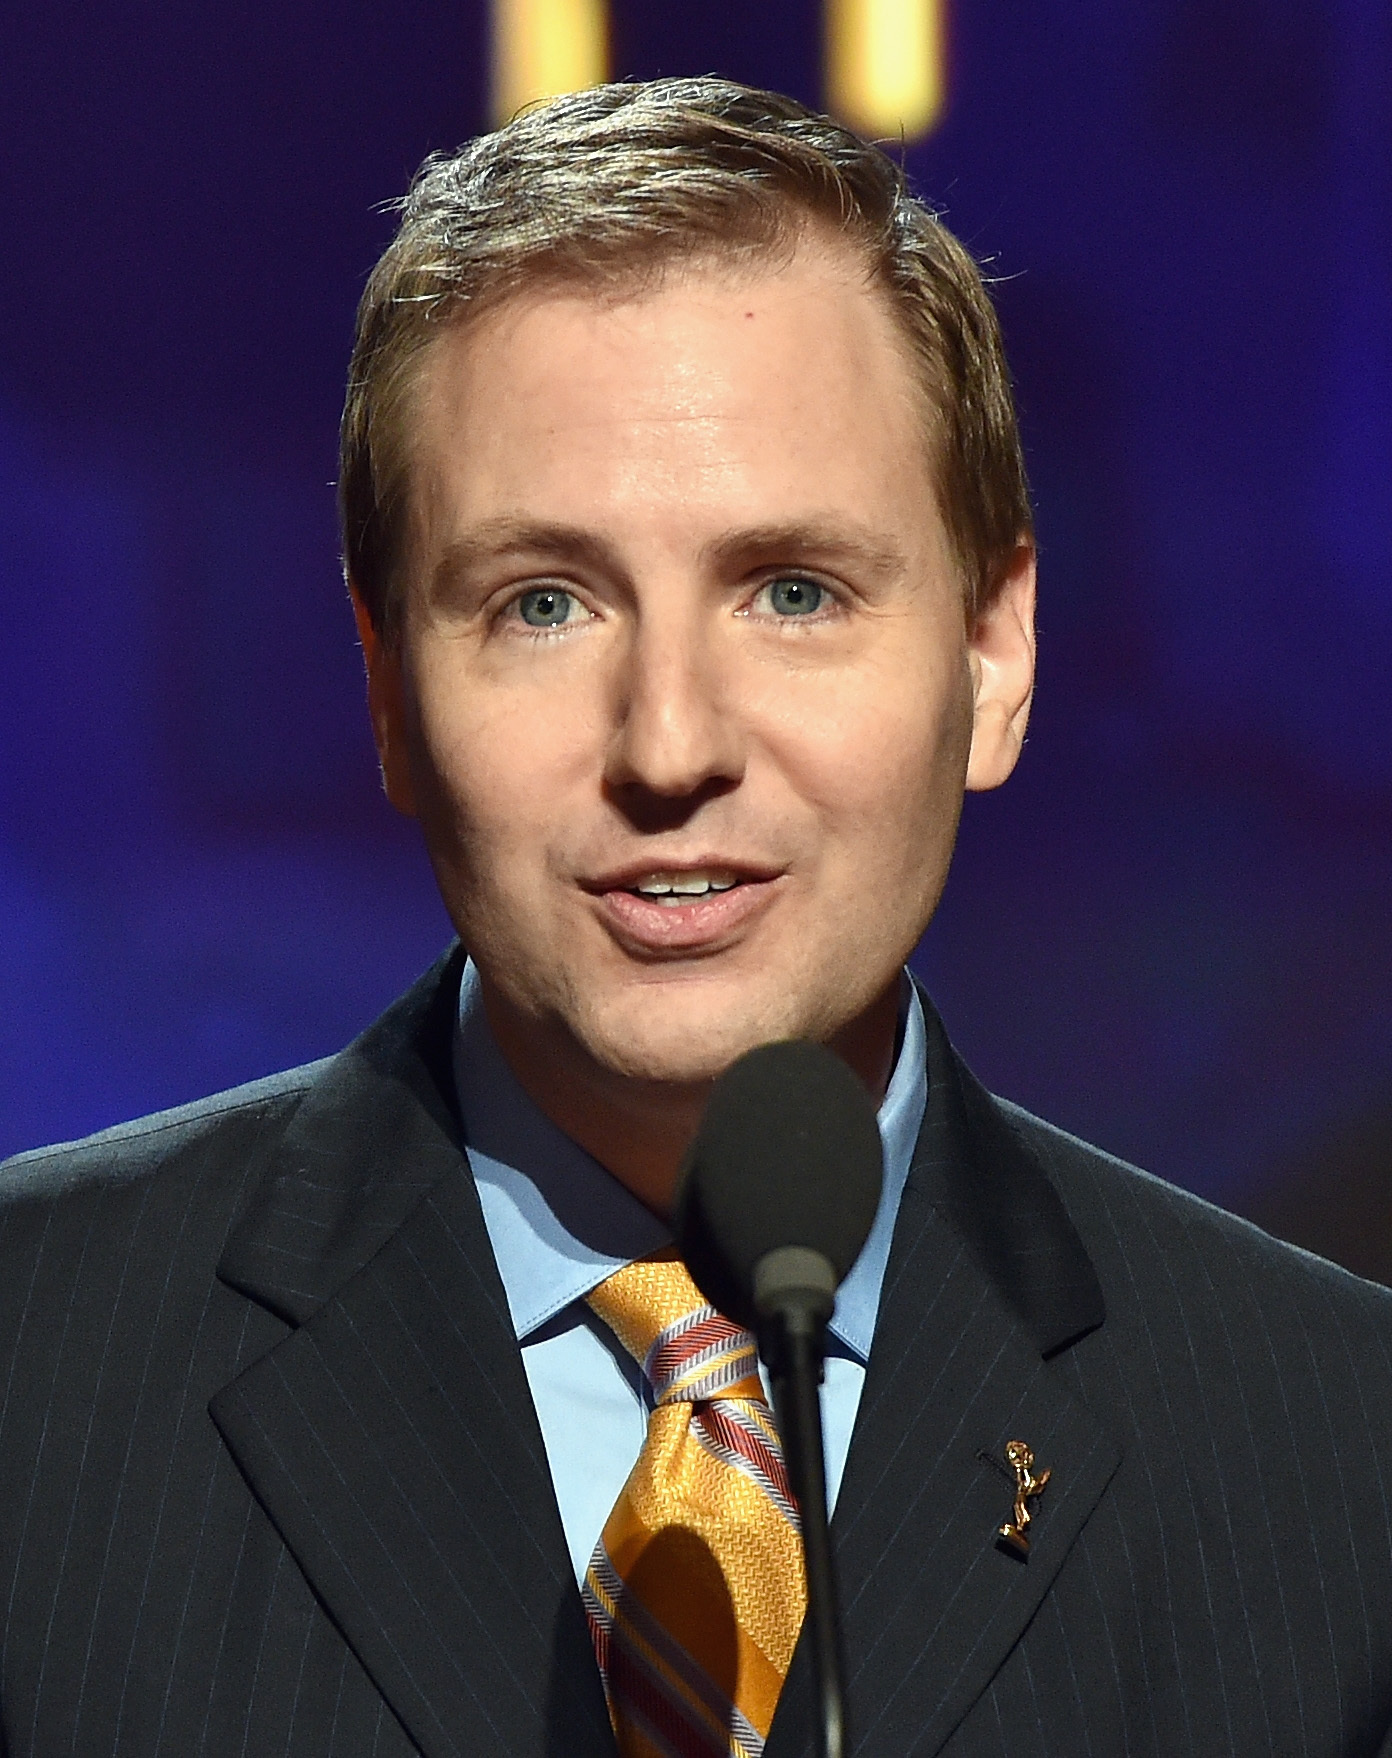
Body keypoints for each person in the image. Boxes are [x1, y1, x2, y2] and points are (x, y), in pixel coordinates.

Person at [2, 77, 1391, 1758]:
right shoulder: (36, 1375)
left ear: (994, 653)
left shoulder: (1337, 1454)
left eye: (793, 590)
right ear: (385, 690)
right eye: (543, 602)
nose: (671, 744)